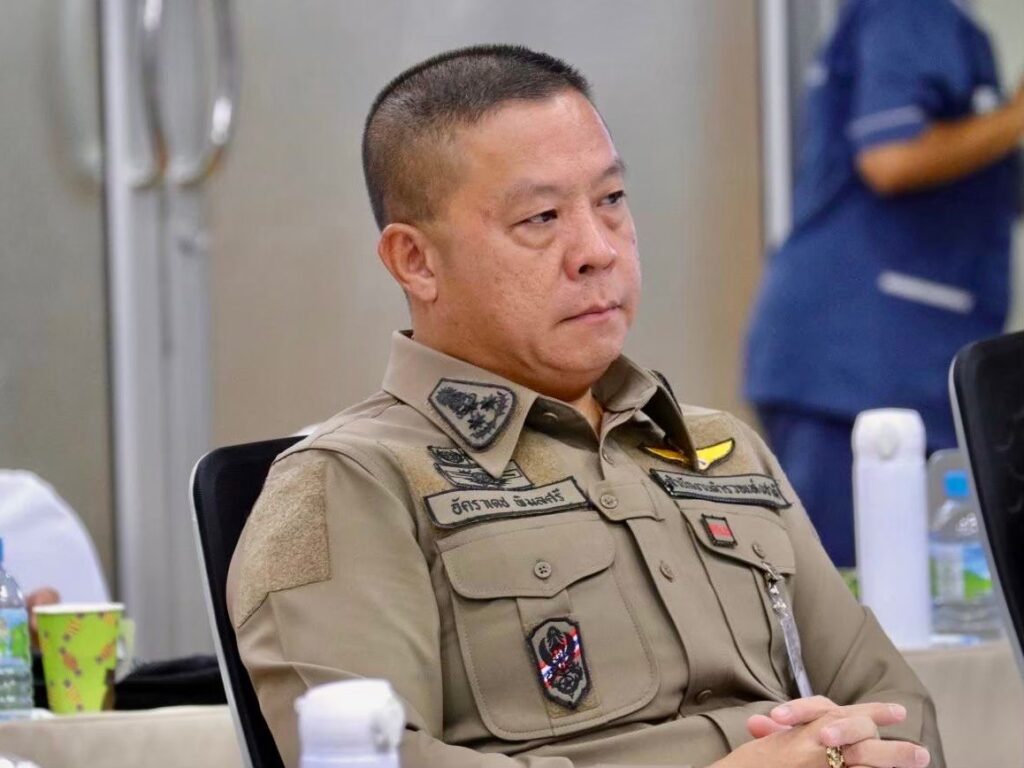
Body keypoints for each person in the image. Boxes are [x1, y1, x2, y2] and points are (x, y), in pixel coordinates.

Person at [227, 45, 944, 768]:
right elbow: (374, 763)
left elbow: (896, 706)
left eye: (611, 201)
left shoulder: (717, 449)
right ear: (416, 261)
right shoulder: (350, 481)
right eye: (541, 217)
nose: (598, 250)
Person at [744, 0, 1024, 568]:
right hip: (857, 369)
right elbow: (891, 158)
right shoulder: (909, 8)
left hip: (897, 364)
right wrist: (1016, 116)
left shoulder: (952, 29)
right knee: (852, 598)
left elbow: (985, 183)